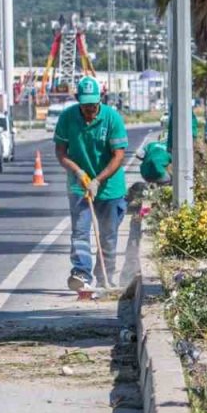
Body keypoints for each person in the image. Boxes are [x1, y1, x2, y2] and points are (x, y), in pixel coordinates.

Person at [54, 76, 129, 291]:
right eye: (85, 105)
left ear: (100, 101)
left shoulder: (112, 118)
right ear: (78, 100)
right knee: (80, 231)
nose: (89, 110)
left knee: (108, 234)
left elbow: (118, 156)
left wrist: (97, 180)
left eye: (93, 106)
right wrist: (78, 172)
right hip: (79, 184)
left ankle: (106, 276)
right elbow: (61, 152)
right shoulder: (67, 118)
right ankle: (81, 273)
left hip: (109, 186)